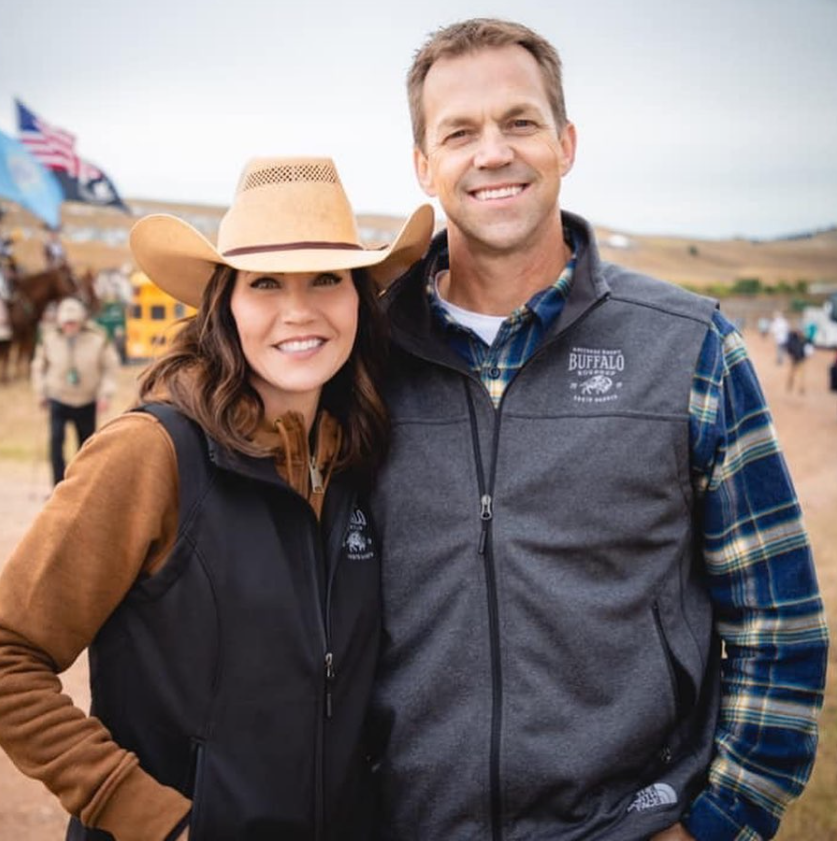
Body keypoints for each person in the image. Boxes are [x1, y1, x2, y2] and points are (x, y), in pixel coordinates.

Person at [368, 18, 828, 841]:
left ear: (565, 142)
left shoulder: (688, 344)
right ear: (423, 165)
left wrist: (717, 822)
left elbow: (778, 621)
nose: (492, 153)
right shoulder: (364, 358)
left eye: (519, 122)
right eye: (459, 132)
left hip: (626, 823)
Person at [0, 155, 433, 841]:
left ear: (359, 297)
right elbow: (8, 651)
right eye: (265, 282)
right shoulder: (150, 454)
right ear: (224, 304)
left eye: (326, 277)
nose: (299, 310)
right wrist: (155, 820)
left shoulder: (362, 458)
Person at [31, 296, 121, 485]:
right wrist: (41, 392)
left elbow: (110, 367)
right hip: (58, 398)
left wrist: (105, 394)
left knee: (86, 447)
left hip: (86, 400)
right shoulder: (49, 339)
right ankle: (58, 485)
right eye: (66, 323)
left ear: (80, 322)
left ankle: (82, 485)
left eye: (73, 323)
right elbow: (39, 366)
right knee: (56, 442)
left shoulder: (98, 338)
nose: (69, 327)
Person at [784, 322, 809, 394]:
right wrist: (790, 354)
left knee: (802, 374)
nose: (800, 332)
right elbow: (789, 346)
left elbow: (807, 348)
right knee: (792, 373)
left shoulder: (804, 339)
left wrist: (805, 356)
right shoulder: (792, 337)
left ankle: (802, 388)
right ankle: (790, 384)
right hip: (794, 358)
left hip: (801, 358)